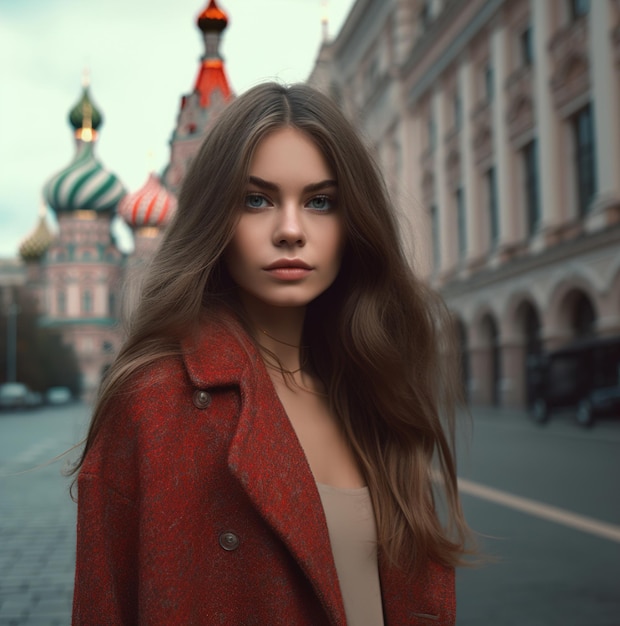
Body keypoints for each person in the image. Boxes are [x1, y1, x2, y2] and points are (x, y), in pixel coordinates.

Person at [71, 82, 472, 625]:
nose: (290, 230)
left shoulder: (371, 386)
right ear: (215, 218)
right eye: (256, 199)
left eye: (320, 202)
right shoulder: (152, 401)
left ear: (353, 222)